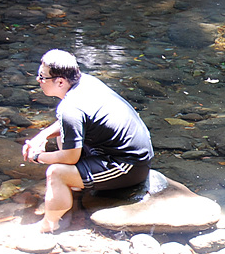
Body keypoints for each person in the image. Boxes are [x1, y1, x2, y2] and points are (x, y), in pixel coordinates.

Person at [22, 49, 154, 233]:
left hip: (128, 166)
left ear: (60, 81)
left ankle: (49, 225)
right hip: (121, 151)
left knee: (56, 172)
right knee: (64, 137)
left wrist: (38, 156)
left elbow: (70, 158)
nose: (38, 80)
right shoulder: (86, 82)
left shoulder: (70, 107)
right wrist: (41, 136)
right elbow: (70, 124)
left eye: (42, 77)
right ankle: (74, 192)